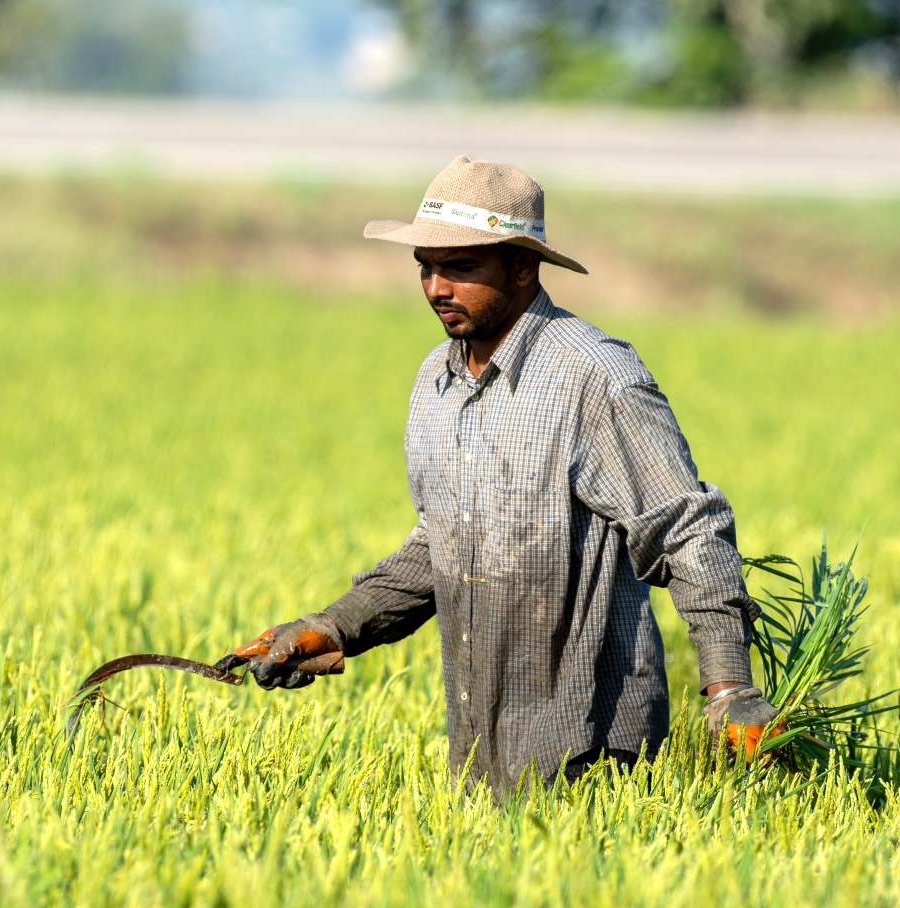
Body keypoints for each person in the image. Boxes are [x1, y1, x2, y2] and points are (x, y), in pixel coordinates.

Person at [217, 155, 775, 791]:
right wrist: (334, 625)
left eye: (460, 267)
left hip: (591, 751)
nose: (435, 288)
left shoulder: (594, 376)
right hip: (478, 747)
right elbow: (441, 543)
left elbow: (687, 531)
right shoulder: (435, 382)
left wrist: (729, 687)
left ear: (520, 266)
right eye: (425, 266)